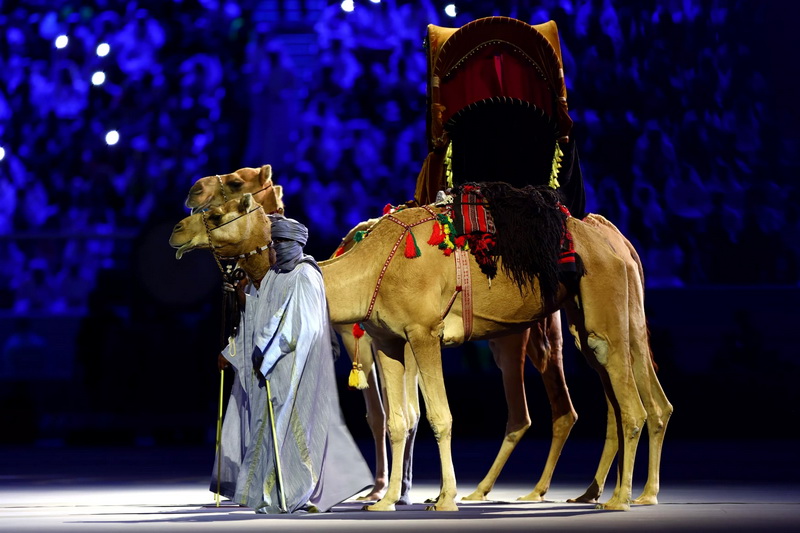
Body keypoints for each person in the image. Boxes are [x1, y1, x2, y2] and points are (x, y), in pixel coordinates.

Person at [212, 215, 371, 513]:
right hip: (270, 367)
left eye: (278, 243)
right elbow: (261, 315)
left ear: (294, 244)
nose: (273, 250)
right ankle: (269, 495)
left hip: (296, 367)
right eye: (272, 243)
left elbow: (303, 325)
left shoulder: (306, 275)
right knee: (268, 429)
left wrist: (269, 351)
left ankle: (297, 493)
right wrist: (239, 296)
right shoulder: (273, 276)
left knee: (297, 431)